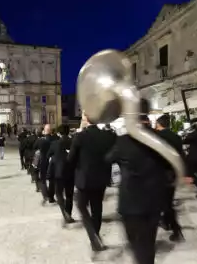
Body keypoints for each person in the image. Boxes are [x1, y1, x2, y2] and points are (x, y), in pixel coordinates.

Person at [106, 101, 186, 264]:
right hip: (155, 200)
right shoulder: (160, 138)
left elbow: (107, 159)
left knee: (136, 243)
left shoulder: (123, 141)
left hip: (131, 202)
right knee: (148, 241)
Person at [68, 114, 116, 256]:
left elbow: (71, 159)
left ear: (86, 120)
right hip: (101, 178)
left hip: (85, 179)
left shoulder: (80, 136)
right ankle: (96, 235)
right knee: (97, 207)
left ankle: (94, 237)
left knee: (82, 206)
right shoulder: (107, 136)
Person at [154, 114, 184, 242]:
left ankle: (177, 230)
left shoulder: (156, 137)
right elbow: (181, 155)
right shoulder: (176, 137)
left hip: (160, 173)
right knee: (167, 200)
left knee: (165, 204)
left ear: (158, 124)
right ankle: (166, 222)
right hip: (173, 172)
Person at [48, 124, 75, 226]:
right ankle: (69, 213)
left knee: (59, 193)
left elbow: (48, 155)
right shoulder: (73, 142)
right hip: (70, 172)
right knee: (69, 195)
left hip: (58, 172)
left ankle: (64, 212)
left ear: (59, 133)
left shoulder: (55, 143)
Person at [34, 124, 55, 204]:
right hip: (52, 161)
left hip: (43, 161)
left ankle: (45, 195)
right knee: (52, 180)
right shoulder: (55, 139)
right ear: (51, 131)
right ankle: (51, 197)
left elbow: (34, 146)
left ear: (44, 131)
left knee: (43, 180)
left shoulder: (41, 140)